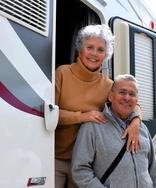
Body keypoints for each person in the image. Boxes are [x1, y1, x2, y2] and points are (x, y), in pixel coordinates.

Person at [55, 25, 141, 188]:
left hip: (88, 163)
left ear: (105, 55)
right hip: (56, 157)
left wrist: (135, 123)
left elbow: (133, 103)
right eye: (90, 47)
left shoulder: (108, 85)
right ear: (81, 49)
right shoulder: (62, 73)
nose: (94, 53)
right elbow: (48, 114)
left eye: (100, 50)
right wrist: (81, 117)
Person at [71, 74, 156, 188]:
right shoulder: (92, 127)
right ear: (110, 96)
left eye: (132, 94)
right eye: (122, 92)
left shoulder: (142, 128)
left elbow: (153, 169)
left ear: (136, 100)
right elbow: (80, 169)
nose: (127, 98)